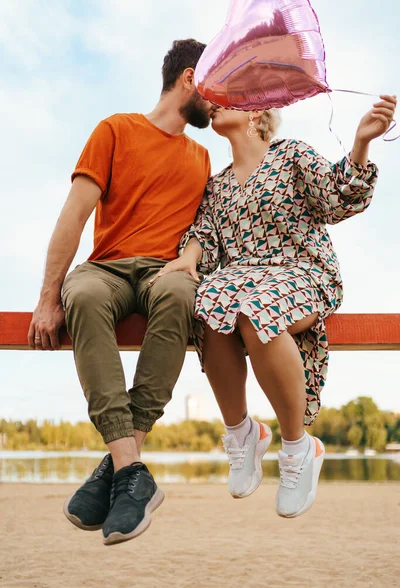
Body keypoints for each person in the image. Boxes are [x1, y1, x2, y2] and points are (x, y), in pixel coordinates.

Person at [151, 94, 397, 518]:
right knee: (206, 303)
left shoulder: (291, 155)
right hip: (240, 279)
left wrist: (360, 143)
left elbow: (339, 196)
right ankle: (242, 434)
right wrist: (188, 259)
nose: (214, 104)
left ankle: (299, 447)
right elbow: (203, 236)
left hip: (302, 271)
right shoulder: (218, 184)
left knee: (251, 307)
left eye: (229, 99)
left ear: (256, 112)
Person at [28, 39, 213, 545]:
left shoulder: (202, 159)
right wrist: (48, 297)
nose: (220, 102)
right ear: (191, 79)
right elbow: (74, 216)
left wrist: (189, 258)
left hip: (163, 272)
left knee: (181, 293)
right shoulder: (116, 129)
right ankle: (133, 470)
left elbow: (206, 228)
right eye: (215, 85)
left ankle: (119, 466)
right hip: (105, 269)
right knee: (80, 295)